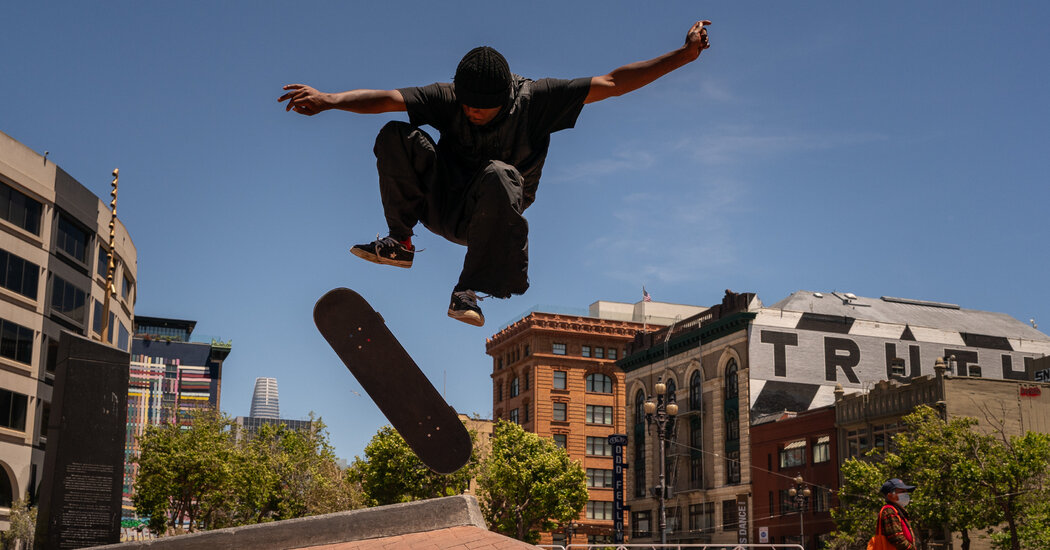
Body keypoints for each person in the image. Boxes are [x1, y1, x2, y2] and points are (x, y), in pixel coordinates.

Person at [279, 21, 711, 326]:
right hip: (442, 202)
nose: (472, 113)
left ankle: (468, 290)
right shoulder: (448, 98)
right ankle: (400, 242)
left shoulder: (539, 100)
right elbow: (387, 99)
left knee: (500, 173)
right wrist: (330, 99)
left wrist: (685, 56)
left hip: (491, 217)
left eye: (481, 108)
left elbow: (614, 83)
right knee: (395, 134)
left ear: (505, 98)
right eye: (466, 106)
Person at [877, 478, 917, 550]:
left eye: (906, 491)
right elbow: (896, 538)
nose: (906, 494)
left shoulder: (897, 511)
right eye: (902, 491)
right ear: (890, 495)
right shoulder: (889, 511)